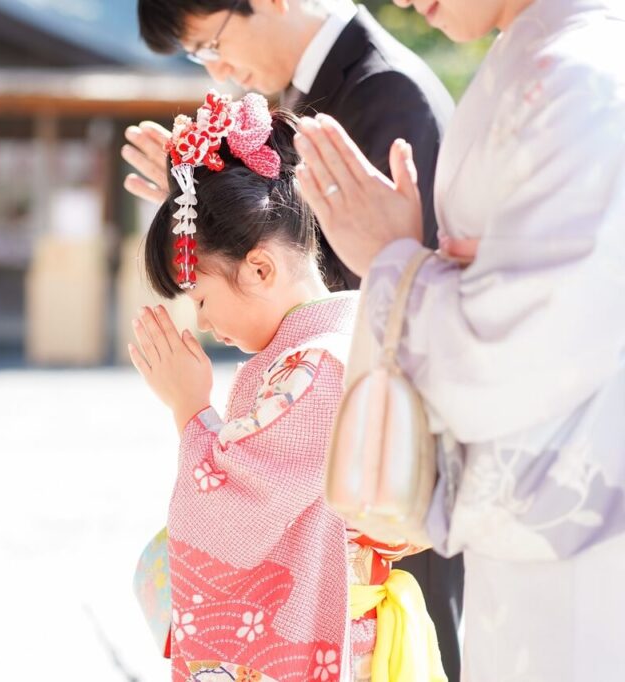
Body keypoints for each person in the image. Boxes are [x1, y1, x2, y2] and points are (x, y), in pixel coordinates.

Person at [123, 1, 464, 676]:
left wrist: (191, 410)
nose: (204, 323)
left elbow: (228, 515)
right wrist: (206, 205)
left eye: (201, 299)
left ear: (259, 268)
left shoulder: (318, 367)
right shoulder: (329, 339)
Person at [291, 0, 625, 678]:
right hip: (531, 533)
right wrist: (405, 260)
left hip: (580, 531)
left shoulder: (584, 73)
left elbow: (527, 348)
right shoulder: (539, 54)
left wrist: (394, 263)